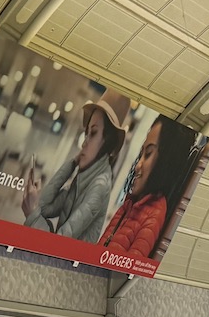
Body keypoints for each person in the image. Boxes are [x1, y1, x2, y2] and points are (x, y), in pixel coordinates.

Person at [21, 89, 128, 242]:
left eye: (93, 133)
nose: (84, 142)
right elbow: (43, 208)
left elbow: (59, 243)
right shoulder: (82, 179)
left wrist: (32, 212)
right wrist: (72, 164)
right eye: (86, 134)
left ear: (108, 142)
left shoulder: (99, 185)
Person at [98, 116, 199, 261]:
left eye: (148, 154)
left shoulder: (153, 215)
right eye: (141, 154)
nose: (138, 164)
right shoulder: (131, 203)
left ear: (166, 161)